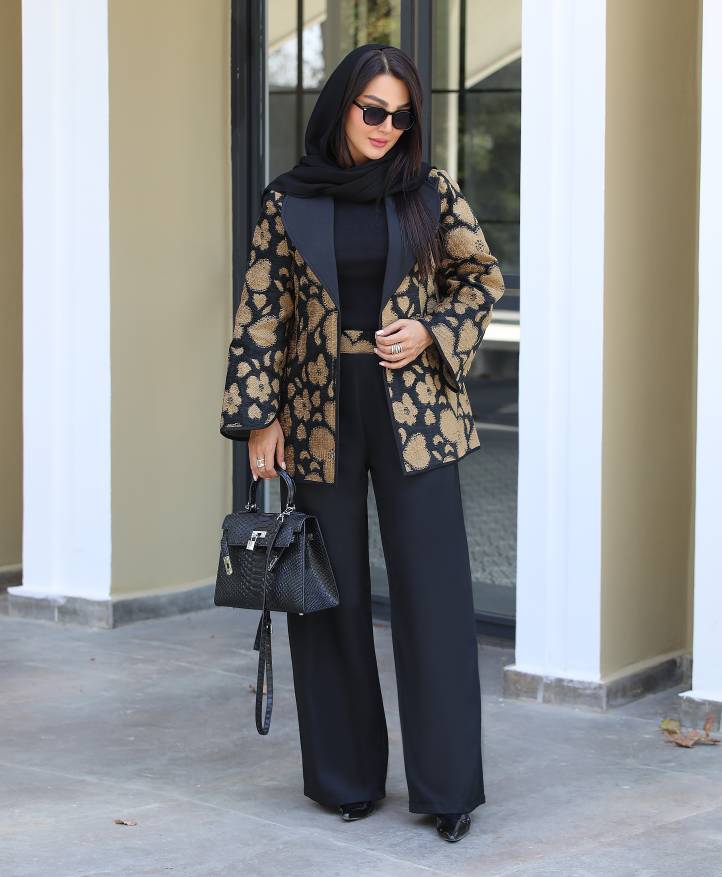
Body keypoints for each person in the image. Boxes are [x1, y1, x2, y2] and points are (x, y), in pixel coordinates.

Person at [220, 43, 505, 843]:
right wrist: (260, 417)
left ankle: (448, 788)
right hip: (318, 412)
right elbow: (260, 314)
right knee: (328, 595)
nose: (386, 127)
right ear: (341, 104)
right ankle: (345, 777)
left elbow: (480, 278)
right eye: (373, 110)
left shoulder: (429, 191)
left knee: (434, 597)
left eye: (401, 116)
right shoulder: (288, 201)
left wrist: (431, 330)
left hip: (416, 410)